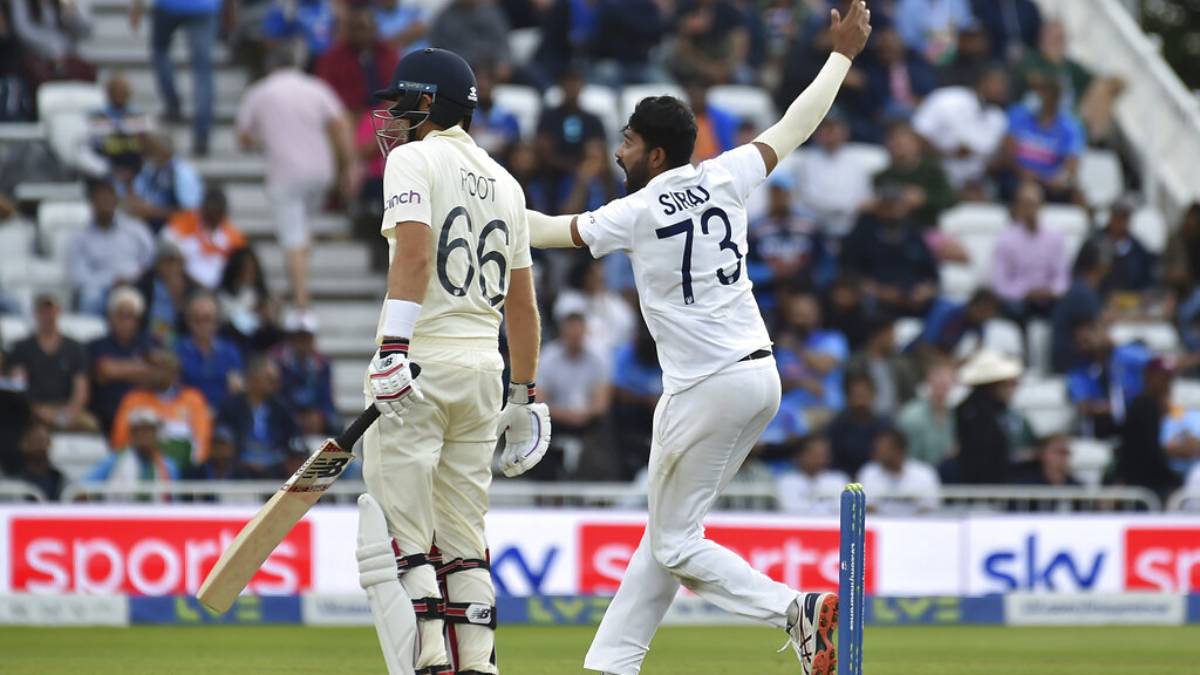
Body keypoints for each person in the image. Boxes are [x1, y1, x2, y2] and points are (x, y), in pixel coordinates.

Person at [524, 4, 871, 671]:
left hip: (703, 388)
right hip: (759, 376)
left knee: (678, 541)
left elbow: (550, 230)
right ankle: (611, 661)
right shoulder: (725, 173)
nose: (619, 152)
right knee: (668, 533)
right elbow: (796, 125)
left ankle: (794, 609)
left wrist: (482, 201)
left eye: (626, 143)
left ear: (653, 152)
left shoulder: (637, 208)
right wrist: (842, 57)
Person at [360, 47, 549, 675]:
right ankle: (479, 664)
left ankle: (431, 664)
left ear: (425, 102)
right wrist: (523, 396)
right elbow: (523, 308)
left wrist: (392, 348)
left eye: (399, 104)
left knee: (409, 542)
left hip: (420, 363)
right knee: (465, 545)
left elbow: (412, 258)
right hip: (483, 373)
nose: (389, 118)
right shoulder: (507, 182)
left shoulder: (414, 159)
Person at [238, 45, 353, 312]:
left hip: (285, 174)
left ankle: (302, 301)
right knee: (302, 232)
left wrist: (263, 140)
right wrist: (347, 167)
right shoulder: (315, 88)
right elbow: (341, 124)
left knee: (293, 237)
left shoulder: (260, 91)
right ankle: (298, 286)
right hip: (321, 172)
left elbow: (243, 137)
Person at [129, 0, 221, 155]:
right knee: (203, 70)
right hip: (204, 7)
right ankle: (202, 134)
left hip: (169, 6)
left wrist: (137, 8)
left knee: (160, 51)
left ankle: (173, 104)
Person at [840, 184, 940, 317]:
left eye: (897, 205)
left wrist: (925, 291)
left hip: (913, 299)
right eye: (887, 206)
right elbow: (850, 271)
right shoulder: (863, 233)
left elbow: (931, 273)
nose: (893, 211)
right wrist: (880, 292)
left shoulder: (914, 233)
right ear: (879, 208)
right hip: (876, 299)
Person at [536, 309, 612, 479]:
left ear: (585, 333)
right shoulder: (548, 357)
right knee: (537, 424)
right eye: (571, 335)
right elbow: (539, 400)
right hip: (555, 419)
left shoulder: (598, 359)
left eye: (578, 335)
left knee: (608, 426)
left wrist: (583, 415)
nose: (575, 339)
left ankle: (597, 484)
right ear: (562, 333)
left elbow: (601, 404)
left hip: (587, 420)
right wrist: (566, 415)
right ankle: (547, 487)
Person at [912, 67, 1009, 193]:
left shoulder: (999, 118)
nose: (1001, 90)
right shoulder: (947, 99)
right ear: (983, 81)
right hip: (934, 176)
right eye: (997, 83)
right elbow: (916, 134)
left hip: (974, 185)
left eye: (1004, 86)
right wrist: (950, 153)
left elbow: (994, 159)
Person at [110, 350, 211, 470]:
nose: (151, 371)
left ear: (173, 372)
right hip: (142, 467)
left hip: (185, 470)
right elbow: (119, 442)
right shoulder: (133, 400)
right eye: (150, 366)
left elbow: (202, 443)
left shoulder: (193, 400)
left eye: (157, 367)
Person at [7, 293, 95, 431]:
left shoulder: (74, 348)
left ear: (58, 311)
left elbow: (81, 389)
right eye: (43, 311)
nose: (47, 315)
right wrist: (38, 410)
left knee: (90, 425)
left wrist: (70, 412)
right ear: (36, 313)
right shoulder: (22, 348)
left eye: (51, 310)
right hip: (32, 410)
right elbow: (18, 387)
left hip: (65, 408)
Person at [68, 180, 156, 314]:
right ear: (92, 203)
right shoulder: (80, 237)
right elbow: (78, 275)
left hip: (135, 283)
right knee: (90, 297)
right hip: (102, 287)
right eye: (100, 198)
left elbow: (151, 258)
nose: (105, 202)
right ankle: (93, 333)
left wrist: (135, 277)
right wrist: (110, 282)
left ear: (116, 201)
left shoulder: (136, 229)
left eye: (108, 197)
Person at [990, 181, 1069, 323]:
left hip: (1048, 298)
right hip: (1019, 299)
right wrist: (1025, 292)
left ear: (1042, 206)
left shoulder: (1055, 237)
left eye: (1034, 204)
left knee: (1070, 305)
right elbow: (1000, 284)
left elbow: (1061, 276)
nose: (1030, 209)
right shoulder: (1005, 240)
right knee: (1013, 308)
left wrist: (1053, 291)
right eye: (1025, 204)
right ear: (1017, 208)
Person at [785, 111, 874, 238]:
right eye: (826, 129)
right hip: (815, 231)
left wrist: (846, 207)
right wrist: (846, 206)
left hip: (853, 230)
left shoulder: (858, 162)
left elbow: (865, 200)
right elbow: (809, 198)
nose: (830, 134)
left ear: (845, 132)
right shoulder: (806, 162)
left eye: (835, 129)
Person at [533, 66, 608, 214]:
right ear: (560, 86)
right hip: (551, 173)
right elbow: (543, 151)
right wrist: (570, 166)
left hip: (584, 174)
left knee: (590, 179)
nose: (572, 87)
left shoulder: (593, 121)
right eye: (568, 82)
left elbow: (598, 154)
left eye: (576, 82)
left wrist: (581, 171)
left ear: (583, 85)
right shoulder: (548, 118)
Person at [215, 356, 300, 478]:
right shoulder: (231, 406)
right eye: (269, 379)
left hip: (274, 460)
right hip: (240, 460)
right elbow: (223, 432)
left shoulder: (280, 407)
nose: (274, 384)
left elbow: (292, 434)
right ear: (253, 380)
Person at [88, 286, 158, 434]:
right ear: (111, 317)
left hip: (143, 415)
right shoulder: (96, 345)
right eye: (120, 315)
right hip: (106, 414)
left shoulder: (149, 344)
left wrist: (121, 370)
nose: (125, 321)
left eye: (130, 316)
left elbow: (159, 374)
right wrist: (143, 369)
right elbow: (106, 371)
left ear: (138, 320)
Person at [1003, 76, 1085, 204]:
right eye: (1039, 91)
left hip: (1050, 183)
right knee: (1026, 193)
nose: (1042, 96)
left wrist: (1060, 179)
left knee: (1078, 195)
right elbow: (1008, 154)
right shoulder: (1019, 114)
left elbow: (1071, 166)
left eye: (1047, 91)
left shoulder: (1071, 127)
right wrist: (1027, 175)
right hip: (1017, 176)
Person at [1066, 318, 1151, 439]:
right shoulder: (1079, 372)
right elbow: (1085, 406)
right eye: (1081, 342)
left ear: (1103, 332)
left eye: (1091, 334)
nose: (1086, 344)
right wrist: (1119, 408)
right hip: (1105, 427)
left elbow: (1159, 370)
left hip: (1141, 419)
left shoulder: (1130, 355)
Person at [953, 349, 1026, 484]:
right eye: (1008, 384)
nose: (1012, 390)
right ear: (995, 385)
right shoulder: (974, 411)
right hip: (982, 490)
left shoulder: (993, 410)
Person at [1116, 357, 1182, 500]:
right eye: (1163, 377)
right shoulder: (1145, 406)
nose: (1167, 383)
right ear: (1149, 377)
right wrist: (1175, 479)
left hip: (1149, 483)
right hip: (1146, 486)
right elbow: (1149, 452)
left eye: (1169, 378)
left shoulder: (1157, 407)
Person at [315, 4, 399, 115]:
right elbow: (326, 94)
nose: (358, 33)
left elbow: (397, 87)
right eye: (353, 28)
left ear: (374, 28)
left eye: (362, 27)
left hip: (384, 116)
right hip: (348, 116)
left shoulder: (388, 54)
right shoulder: (331, 59)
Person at [161, 184, 247, 289]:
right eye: (209, 214)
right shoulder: (185, 221)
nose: (212, 219)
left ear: (223, 214)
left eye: (216, 214)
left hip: (220, 288)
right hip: (186, 282)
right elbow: (165, 244)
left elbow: (241, 263)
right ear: (202, 209)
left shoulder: (233, 236)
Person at [873, 121, 955, 229]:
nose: (899, 144)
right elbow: (877, 202)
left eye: (904, 141)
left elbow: (950, 199)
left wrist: (924, 198)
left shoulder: (932, 171)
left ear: (916, 144)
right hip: (893, 228)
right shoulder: (881, 177)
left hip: (927, 227)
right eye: (894, 140)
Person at [87, 407, 180, 497]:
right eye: (141, 430)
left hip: (157, 511)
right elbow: (84, 487)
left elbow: (175, 503)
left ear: (156, 433)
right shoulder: (114, 461)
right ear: (132, 433)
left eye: (150, 430)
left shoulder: (168, 466)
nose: (145, 435)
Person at [176, 291, 244, 409]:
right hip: (188, 412)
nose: (202, 325)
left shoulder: (230, 352)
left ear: (216, 322)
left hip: (222, 414)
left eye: (207, 319)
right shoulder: (177, 351)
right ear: (188, 322)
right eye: (196, 319)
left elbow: (236, 390)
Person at [271, 312, 335, 436]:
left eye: (306, 337)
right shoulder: (277, 362)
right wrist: (293, 416)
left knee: (335, 424)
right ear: (289, 339)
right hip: (287, 415)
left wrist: (320, 415)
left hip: (314, 415)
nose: (302, 343)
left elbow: (327, 399)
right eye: (297, 338)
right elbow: (276, 398)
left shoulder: (322, 364)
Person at [80, 72, 153, 182]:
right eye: (116, 90)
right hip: (105, 171)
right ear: (109, 93)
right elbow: (89, 149)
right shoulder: (96, 116)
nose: (120, 94)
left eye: (124, 91)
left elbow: (148, 148)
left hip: (136, 170)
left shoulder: (139, 117)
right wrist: (108, 170)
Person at [124, 132, 204, 232]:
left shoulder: (183, 173)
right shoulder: (150, 170)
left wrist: (153, 212)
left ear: (165, 151)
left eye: (153, 148)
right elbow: (137, 193)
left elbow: (190, 212)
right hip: (148, 225)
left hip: (177, 230)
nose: (149, 152)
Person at [1050, 241, 1107, 373]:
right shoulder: (1082, 292)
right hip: (1071, 366)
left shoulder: (1081, 288)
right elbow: (1085, 340)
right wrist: (1111, 342)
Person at [856, 426, 941, 514]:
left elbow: (929, 508)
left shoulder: (924, 473)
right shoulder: (868, 472)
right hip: (880, 525)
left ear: (899, 449)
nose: (878, 451)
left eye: (884, 448)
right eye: (877, 447)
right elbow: (866, 509)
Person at [847, 313, 919, 416]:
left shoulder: (901, 363)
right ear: (877, 335)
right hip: (866, 418)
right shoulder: (856, 363)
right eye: (889, 334)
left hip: (898, 418)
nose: (893, 338)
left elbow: (911, 395)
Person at [911, 288, 1000, 363]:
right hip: (914, 359)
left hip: (944, 364)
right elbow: (924, 347)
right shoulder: (945, 312)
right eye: (983, 311)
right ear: (972, 305)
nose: (984, 317)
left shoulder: (978, 323)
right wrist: (946, 365)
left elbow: (978, 351)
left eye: (989, 315)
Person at [827, 371, 890, 477]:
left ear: (873, 395)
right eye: (856, 395)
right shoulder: (836, 427)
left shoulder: (885, 425)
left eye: (864, 395)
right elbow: (832, 463)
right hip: (845, 480)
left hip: (879, 479)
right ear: (848, 397)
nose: (860, 401)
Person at [897, 360, 957, 467]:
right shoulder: (910, 414)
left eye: (947, 378)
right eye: (938, 377)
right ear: (928, 380)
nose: (943, 382)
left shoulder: (956, 414)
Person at [429, 0, 512, 77]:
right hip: (459, 65)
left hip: (489, 64)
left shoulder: (491, 13)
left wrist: (503, 62)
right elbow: (437, 47)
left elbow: (501, 42)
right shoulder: (445, 17)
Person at [775, 433, 848, 515]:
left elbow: (842, 512)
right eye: (814, 453)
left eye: (823, 453)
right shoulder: (786, 481)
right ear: (799, 455)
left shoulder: (838, 480)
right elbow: (788, 511)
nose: (819, 457)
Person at [894, 0, 973, 65]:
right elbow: (907, 39)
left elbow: (967, 27)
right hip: (921, 60)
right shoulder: (908, 5)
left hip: (958, 58)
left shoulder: (957, 2)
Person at [16, 420, 64, 501]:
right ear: (24, 445)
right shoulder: (14, 481)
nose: (39, 447)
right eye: (35, 441)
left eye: (42, 441)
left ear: (49, 444)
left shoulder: (61, 480)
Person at [1015, 434, 1079, 489]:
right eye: (1058, 452)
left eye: (1066, 453)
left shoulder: (1076, 486)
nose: (1063, 457)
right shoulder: (1024, 484)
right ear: (1042, 453)